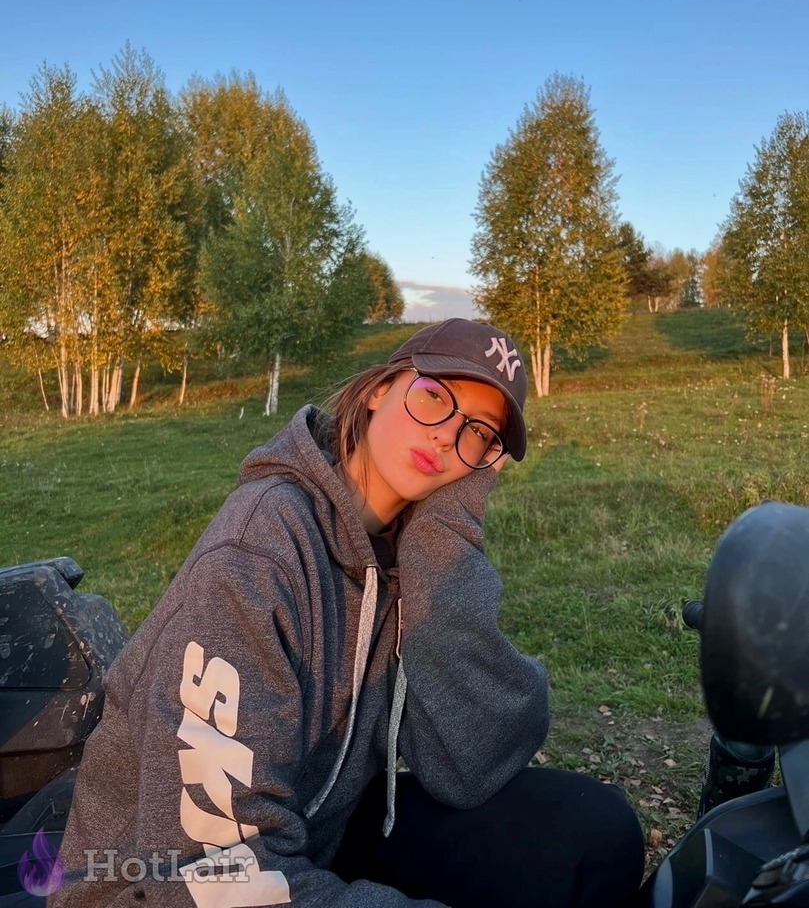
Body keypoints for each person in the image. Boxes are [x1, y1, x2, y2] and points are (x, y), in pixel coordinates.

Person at [50, 318, 644, 908]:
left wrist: (443, 541)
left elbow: (471, 765)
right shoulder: (258, 551)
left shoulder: (408, 550)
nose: (446, 437)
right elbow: (210, 868)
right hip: (160, 882)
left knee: (594, 830)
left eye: (478, 433)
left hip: (314, 836)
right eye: (435, 397)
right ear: (380, 389)